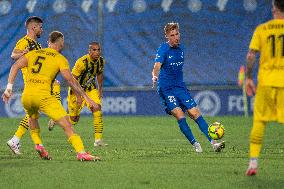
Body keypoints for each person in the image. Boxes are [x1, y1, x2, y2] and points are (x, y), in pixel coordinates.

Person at [2, 31, 101, 161]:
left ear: (49, 42)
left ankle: (39, 145)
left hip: (27, 96)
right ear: (61, 43)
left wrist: (8, 89)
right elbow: (71, 80)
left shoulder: (33, 53)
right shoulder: (60, 59)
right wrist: (86, 98)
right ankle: (81, 152)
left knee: (32, 118)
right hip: (44, 97)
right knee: (67, 125)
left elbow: (15, 66)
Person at [152, 22, 225, 153]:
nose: (176, 37)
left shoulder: (181, 49)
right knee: (180, 115)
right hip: (166, 89)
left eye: (177, 34)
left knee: (195, 113)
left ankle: (214, 143)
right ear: (167, 36)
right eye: (172, 35)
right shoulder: (163, 49)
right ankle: (195, 143)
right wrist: (155, 77)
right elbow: (157, 66)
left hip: (180, 87)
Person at [7, 16, 61, 155]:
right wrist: (22, 53)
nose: (42, 30)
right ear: (33, 27)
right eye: (40, 27)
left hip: (39, 81)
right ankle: (16, 139)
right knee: (34, 114)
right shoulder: (24, 41)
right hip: (32, 83)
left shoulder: (37, 45)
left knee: (34, 114)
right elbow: (13, 55)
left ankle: (15, 139)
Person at [245, 0, 284, 176]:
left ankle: (253, 163)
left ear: (274, 9)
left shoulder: (262, 29)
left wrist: (248, 78)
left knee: (259, 121)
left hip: (267, 81)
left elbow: (251, 55)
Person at [48, 42, 107, 147]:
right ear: (89, 51)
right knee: (74, 119)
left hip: (90, 89)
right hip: (76, 91)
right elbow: (72, 80)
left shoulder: (101, 61)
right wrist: (78, 96)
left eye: (98, 50)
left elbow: (99, 73)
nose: (97, 52)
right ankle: (56, 119)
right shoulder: (81, 62)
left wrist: (100, 89)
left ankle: (98, 140)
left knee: (97, 108)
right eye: (94, 50)